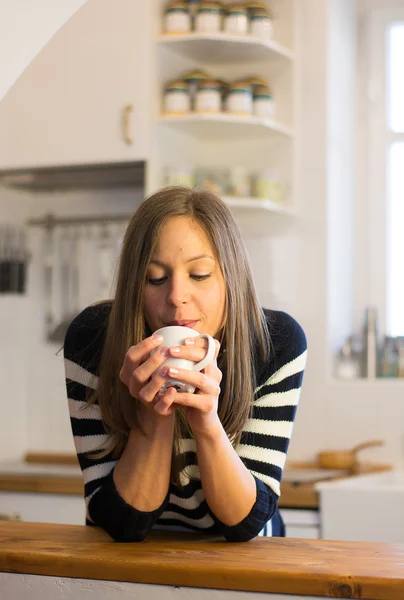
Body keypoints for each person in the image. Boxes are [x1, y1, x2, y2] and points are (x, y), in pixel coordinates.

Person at [64, 185, 307, 543]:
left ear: (231, 280)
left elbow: (245, 525)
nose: (177, 297)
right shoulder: (94, 340)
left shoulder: (274, 343)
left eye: (199, 275)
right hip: (128, 564)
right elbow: (120, 522)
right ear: (135, 286)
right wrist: (156, 411)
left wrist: (207, 423)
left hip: (249, 562)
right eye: (155, 278)